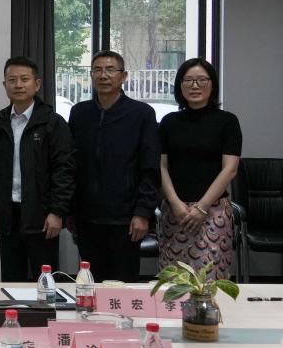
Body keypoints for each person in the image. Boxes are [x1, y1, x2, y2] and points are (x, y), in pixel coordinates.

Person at [0, 56, 75, 282]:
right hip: (8, 216)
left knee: (45, 282)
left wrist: (57, 212)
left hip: (43, 216)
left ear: (37, 84)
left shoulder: (53, 123)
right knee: (12, 280)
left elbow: (64, 171)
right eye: (12, 80)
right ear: (5, 85)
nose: (18, 85)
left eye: (24, 79)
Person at [68, 51, 160, 283]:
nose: (103, 75)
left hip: (126, 219)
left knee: (122, 286)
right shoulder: (79, 113)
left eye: (110, 70)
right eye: (97, 70)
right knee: (90, 284)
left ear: (123, 76)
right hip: (86, 218)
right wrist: (69, 211)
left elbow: (150, 168)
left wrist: (143, 213)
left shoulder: (141, 114)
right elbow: (70, 165)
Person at [158, 58, 241, 280]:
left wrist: (202, 207)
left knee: (210, 280)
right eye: (189, 80)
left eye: (201, 80)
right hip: (175, 212)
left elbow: (230, 169)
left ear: (212, 84)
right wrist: (175, 203)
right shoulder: (168, 122)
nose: (195, 86)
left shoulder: (227, 121)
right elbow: (161, 166)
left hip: (213, 212)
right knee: (174, 281)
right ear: (180, 85)